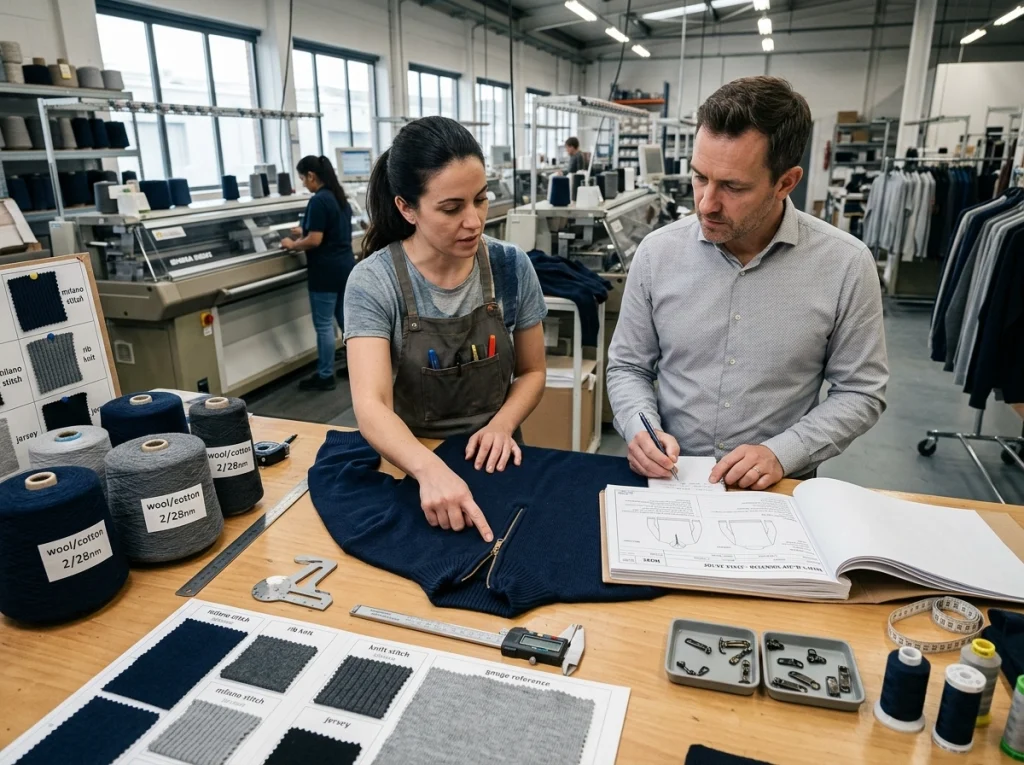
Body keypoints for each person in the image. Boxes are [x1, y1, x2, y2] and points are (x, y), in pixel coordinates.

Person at [606, 76, 889, 489]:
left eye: (733, 187)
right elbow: (628, 366)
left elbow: (861, 391)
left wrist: (783, 452)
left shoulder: (845, 264)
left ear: (786, 182)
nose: (706, 203)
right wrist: (640, 428)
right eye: (700, 177)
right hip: (671, 480)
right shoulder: (657, 254)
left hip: (778, 488)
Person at [345, 116, 549, 541]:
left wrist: (501, 425)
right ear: (407, 208)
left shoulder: (510, 267)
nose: (474, 221)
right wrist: (428, 469)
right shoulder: (375, 282)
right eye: (452, 208)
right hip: (410, 468)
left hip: (497, 459)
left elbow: (532, 372)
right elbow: (372, 405)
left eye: (480, 199)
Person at [281, 155, 354, 392]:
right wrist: (305, 228)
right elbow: (331, 228)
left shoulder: (319, 200)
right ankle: (355, 367)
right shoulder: (339, 197)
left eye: (303, 178)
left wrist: (292, 244)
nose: (303, 183)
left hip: (325, 271)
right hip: (345, 267)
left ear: (312, 176)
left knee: (323, 325)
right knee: (346, 322)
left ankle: (325, 375)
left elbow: (315, 239)